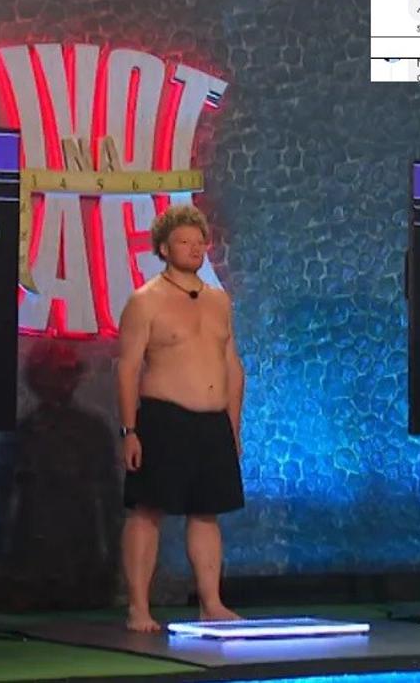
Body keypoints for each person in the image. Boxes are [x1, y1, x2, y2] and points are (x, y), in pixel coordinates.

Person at [116, 204, 245, 633]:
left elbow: (232, 365)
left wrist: (234, 425)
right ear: (163, 248)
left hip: (213, 422)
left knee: (207, 512)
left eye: (199, 241)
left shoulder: (219, 300)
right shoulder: (146, 300)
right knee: (147, 511)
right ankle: (139, 607)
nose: (193, 248)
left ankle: (212, 603)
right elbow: (127, 368)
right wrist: (130, 430)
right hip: (163, 419)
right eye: (184, 241)